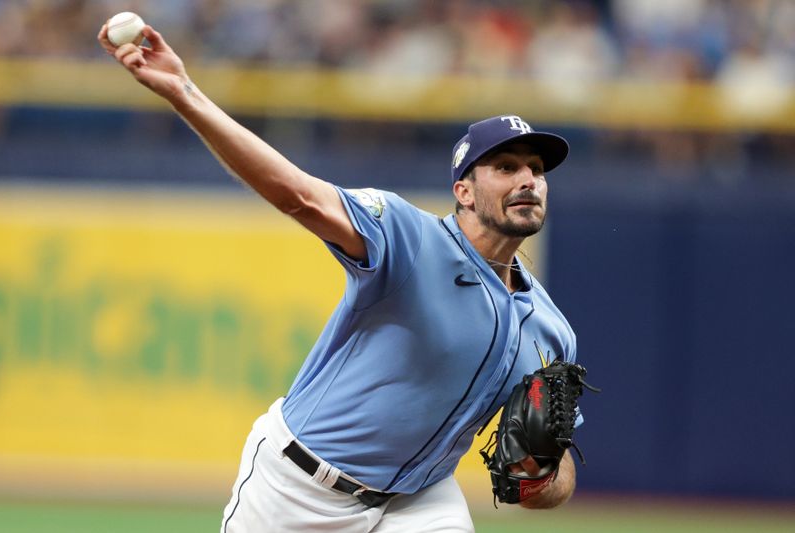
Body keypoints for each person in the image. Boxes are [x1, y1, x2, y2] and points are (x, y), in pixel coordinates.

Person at [98, 22, 582, 533]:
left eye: (536, 169)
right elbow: (297, 195)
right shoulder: (408, 238)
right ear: (464, 192)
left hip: (417, 500)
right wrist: (184, 92)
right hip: (299, 487)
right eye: (506, 167)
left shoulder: (551, 330)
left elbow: (559, 467)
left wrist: (545, 475)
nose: (528, 179)